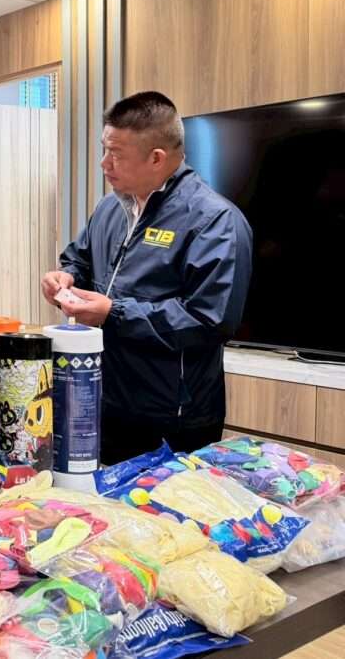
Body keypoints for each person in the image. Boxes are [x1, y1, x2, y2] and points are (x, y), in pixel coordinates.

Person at [41, 91, 253, 464]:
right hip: (105, 398)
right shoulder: (110, 208)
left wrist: (114, 313)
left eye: (116, 154)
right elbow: (80, 259)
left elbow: (209, 319)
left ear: (157, 158)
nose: (104, 163)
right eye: (104, 149)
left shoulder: (214, 221)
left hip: (172, 417)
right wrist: (66, 277)